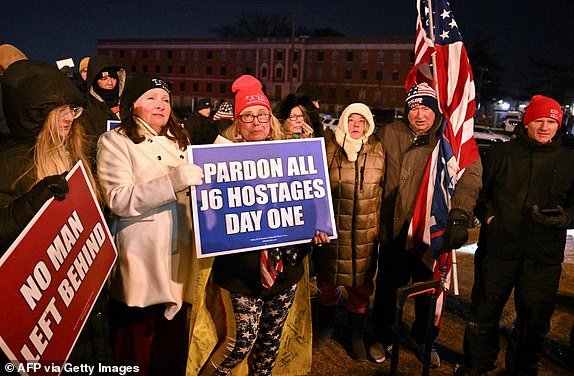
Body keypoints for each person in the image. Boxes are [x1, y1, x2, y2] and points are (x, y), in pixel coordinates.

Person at [195, 75, 330, 375]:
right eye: (248, 116)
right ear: (237, 123)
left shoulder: (291, 155)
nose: (256, 122)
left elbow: (307, 201)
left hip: (286, 270)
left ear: (271, 119)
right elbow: (211, 217)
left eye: (262, 115)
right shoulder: (219, 159)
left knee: (269, 345)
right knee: (240, 343)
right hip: (241, 273)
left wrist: (317, 226)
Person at [0, 59, 110, 365]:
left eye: (73, 110)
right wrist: (34, 202)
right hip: (40, 323)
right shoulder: (9, 164)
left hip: (87, 311)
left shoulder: (76, 153)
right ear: (36, 114)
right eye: (60, 110)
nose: (69, 119)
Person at [458, 95, 574, 375]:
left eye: (551, 122)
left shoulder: (570, 161)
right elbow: (481, 194)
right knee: (484, 311)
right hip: (498, 249)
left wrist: (566, 218)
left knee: (534, 318)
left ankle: (523, 367)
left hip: (542, 256)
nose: (545, 127)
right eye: (539, 121)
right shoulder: (501, 154)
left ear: (558, 126)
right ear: (526, 122)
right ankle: (477, 362)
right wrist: (489, 216)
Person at [96, 73, 203, 375]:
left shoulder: (179, 138)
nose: (160, 105)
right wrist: (172, 181)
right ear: (132, 105)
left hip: (179, 251)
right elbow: (118, 198)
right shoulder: (115, 141)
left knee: (170, 343)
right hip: (143, 255)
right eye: (151, 98)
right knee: (136, 344)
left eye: (165, 99)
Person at [369, 82, 482, 368]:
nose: (420, 114)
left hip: (429, 233)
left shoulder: (448, 139)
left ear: (436, 111)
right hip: (393, 230)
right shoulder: (389, 133)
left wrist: (461, 214)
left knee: (427, 293)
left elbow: (471, 174)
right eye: (414, 108)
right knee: (386, 289)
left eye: (426, 108)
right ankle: (381, 336)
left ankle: (423, 338)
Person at [313, 103, 384, 361]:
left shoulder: (378, 149)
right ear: (343, 121)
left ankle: (355, 334)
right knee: (328, 282)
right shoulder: (329, 147)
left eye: (361, 121)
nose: (356, 125)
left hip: (365, 233)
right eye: (352, 119)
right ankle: (325, 325)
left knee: (361, 286)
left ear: (368, 125)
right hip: (334, 230)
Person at [83, 55, 126, 151]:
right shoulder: (87, 107)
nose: (110, 82)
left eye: (113, 78)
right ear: (95, 80)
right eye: (104, 79)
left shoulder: (127, 102)